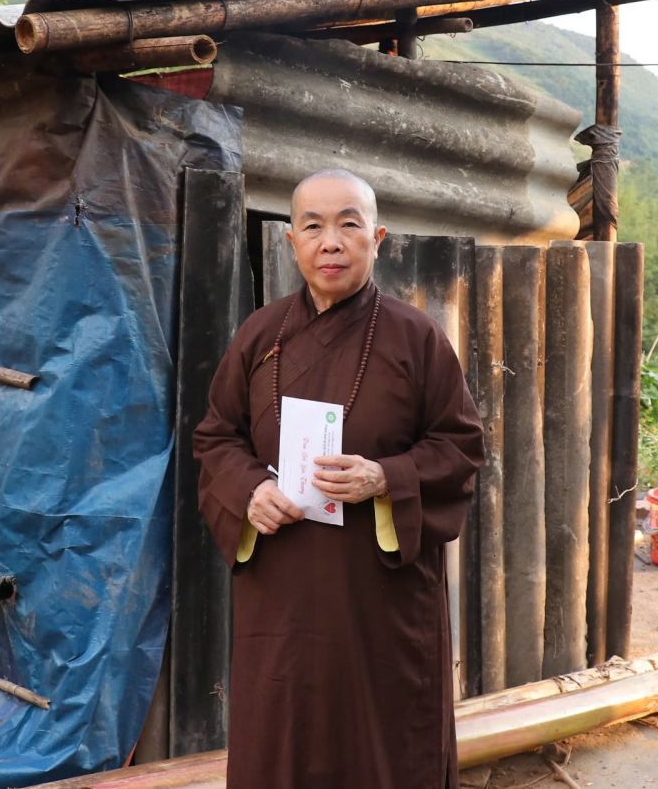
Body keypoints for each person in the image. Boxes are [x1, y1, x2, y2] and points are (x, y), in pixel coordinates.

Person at [192, 168, 484, 789]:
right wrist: (249, 490)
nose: (331, 242)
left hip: (378, 597)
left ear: (377, 239)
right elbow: (216, 436)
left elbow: (460, 448)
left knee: (384, 742)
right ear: (291, 242)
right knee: (283, 731)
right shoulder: (259, 335)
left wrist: (386, 476)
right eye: (313, 227)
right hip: (282, 590)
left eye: (349, 225)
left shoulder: (416, 338)